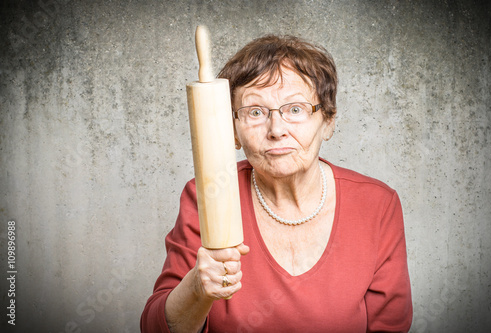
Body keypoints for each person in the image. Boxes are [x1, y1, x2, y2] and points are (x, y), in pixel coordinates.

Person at [141, 35, 412, 333]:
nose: (276, 129)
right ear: (232, 132)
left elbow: (390, 326)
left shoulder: (377, 205)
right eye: (255, 112)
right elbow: (156, 328)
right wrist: (196, 288)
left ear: (328, 120)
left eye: (295, 109)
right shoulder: (207, 193)